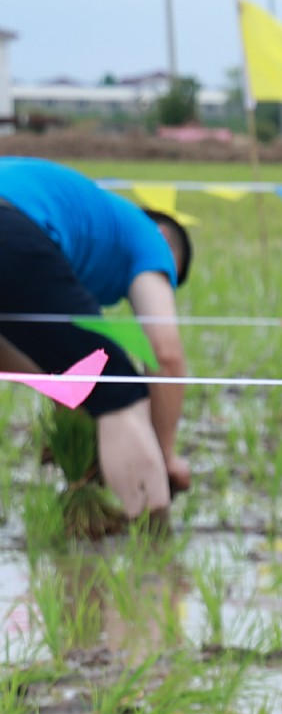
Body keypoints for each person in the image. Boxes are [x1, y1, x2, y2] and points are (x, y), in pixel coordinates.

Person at [0, 157, 193, 519]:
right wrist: (164, 455)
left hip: (14, 237)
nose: (162, 278)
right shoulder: (149, 236)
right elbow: (165, 353)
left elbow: (56, 365)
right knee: (117, 385)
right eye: (168, 275)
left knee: (81, 374)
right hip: (8, 228)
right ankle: (152, 537)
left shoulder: (79, 226)